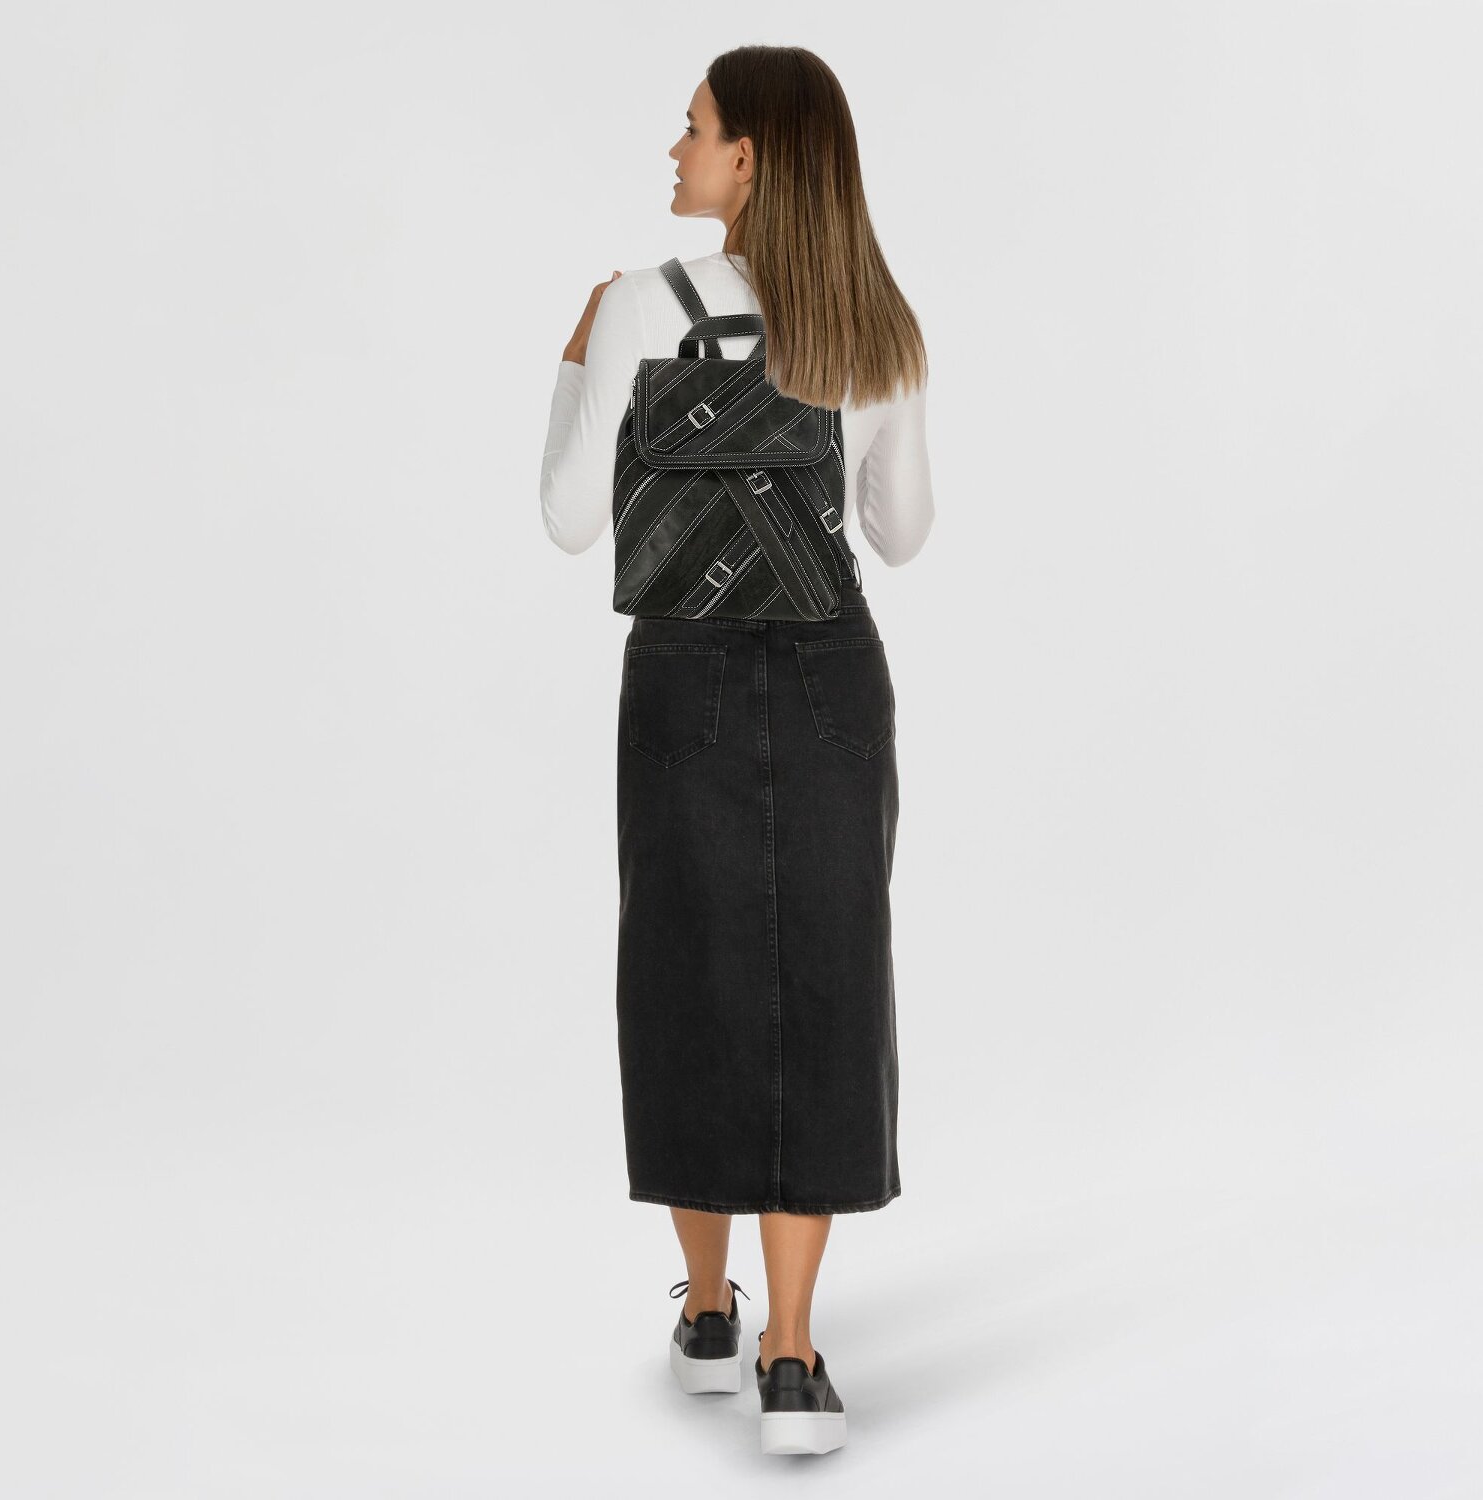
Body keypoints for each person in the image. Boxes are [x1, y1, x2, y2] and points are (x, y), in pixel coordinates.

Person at [538, 46, 935, 1456]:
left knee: (687, 974)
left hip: (685, 670)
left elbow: (569, 521)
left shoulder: (639, 305)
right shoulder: (877, 322)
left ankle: (707, 1315)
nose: (677, 148)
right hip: (832, 677)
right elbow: (900, 534)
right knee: (826, 983)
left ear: (751, 155)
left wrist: (578, 356)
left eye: (696, 126)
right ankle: (795, 1352)